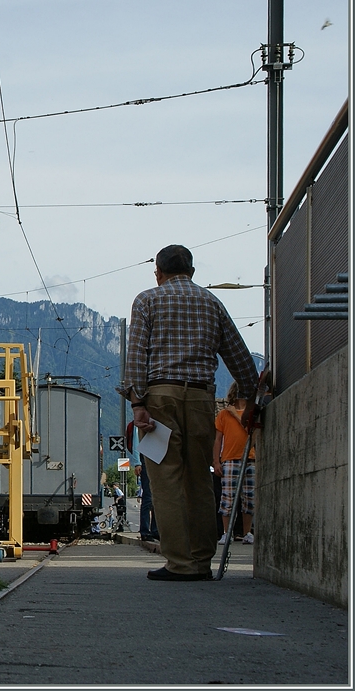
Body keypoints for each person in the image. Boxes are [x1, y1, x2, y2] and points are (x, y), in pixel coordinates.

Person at [122, 244, 258, 581]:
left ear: (158, 272)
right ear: (193, 272)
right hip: (200, 398)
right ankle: (200, 562)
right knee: (199, 479)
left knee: (166, 480)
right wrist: (252, 396)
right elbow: (239, 357)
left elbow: (137, 356)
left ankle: (179, 563)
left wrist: (137, 404)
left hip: (159, 399)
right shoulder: (213, 303)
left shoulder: (147, 300)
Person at [214, 382, 256, 545]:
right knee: (228, 497)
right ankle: (226, 532)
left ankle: (247, 532)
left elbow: (250, 430)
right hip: (229, 458)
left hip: (250, 458)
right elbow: (218, 439)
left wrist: (236, 415)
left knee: (249, 498)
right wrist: (216, 460)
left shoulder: (250, 413)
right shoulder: (223, 414)